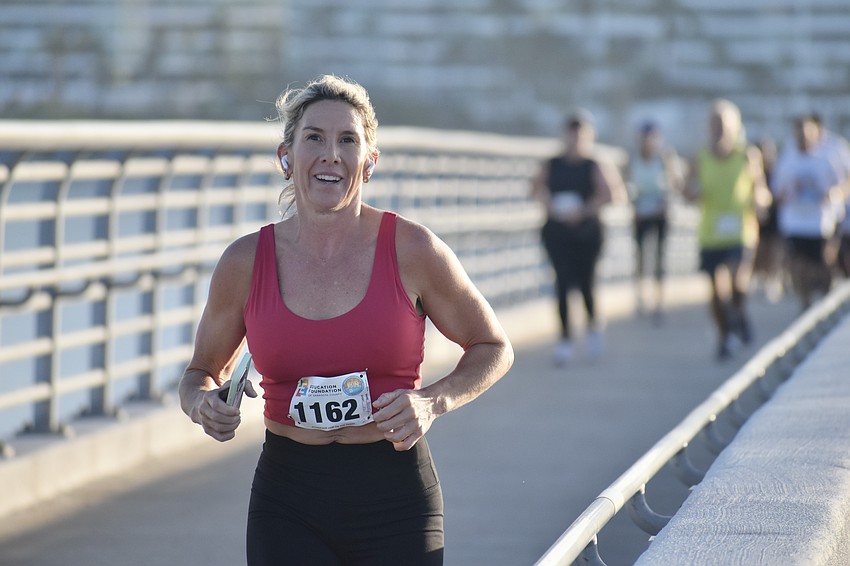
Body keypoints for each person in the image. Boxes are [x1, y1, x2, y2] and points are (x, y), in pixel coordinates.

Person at [178, 75, 514, 565]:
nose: (330, 154)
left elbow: (493, 346)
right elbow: (198, 374)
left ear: (369, 162)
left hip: (395, 495)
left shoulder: (413, 249)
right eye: (313, 137)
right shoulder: (244, 262)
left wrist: (431, 401)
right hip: (288, 497)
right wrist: (204, 405)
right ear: (285, 157)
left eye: (348, 140)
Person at [531, 109, 626, 366]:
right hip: (558, 231)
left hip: (587, 231)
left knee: (586, 283)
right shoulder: (552, 164)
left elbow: (614, 194)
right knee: (562, 283)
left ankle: (594, 327)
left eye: (580, 135)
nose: (575, 140)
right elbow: (535, 188)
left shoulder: (594, 164)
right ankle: (564, 339)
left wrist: (584, 210)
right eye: (571, 134)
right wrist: (550, 204)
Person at [684, 99, 767, 361]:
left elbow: (761, 189)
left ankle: (740, 316)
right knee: (716, 291)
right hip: (710, 231)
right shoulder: (700, 157)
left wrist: (761, 201)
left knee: (737, 281)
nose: (719, 129)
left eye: (723, 124)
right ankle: (725, 335)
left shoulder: (747, 155)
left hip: (740, 229)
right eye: (714, 124)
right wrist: (689, 191)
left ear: (735, 126)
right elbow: (688, 190)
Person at [771, 114, 845, 310]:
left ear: (816, 133)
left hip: (821, 222)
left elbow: (844, 184)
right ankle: (806, 305)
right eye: (800, 133)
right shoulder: (787, 158)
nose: (803, 137)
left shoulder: (827, 157)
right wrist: (783, 195)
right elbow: (776, 190)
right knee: (798, 266)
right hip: (796, 222)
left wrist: (834, 193)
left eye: (807, 133)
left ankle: (826, 300)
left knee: (823, 264)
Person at [627, 120, 683, 321]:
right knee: (641, 256)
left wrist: (665, 203)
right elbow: (627, 185)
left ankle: (659, 300)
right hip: (641, 212)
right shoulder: (633, 158)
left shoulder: (665, 158)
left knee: (660, 256)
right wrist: (634, 206)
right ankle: (641, 296)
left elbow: (676, 185)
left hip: (660, 212)